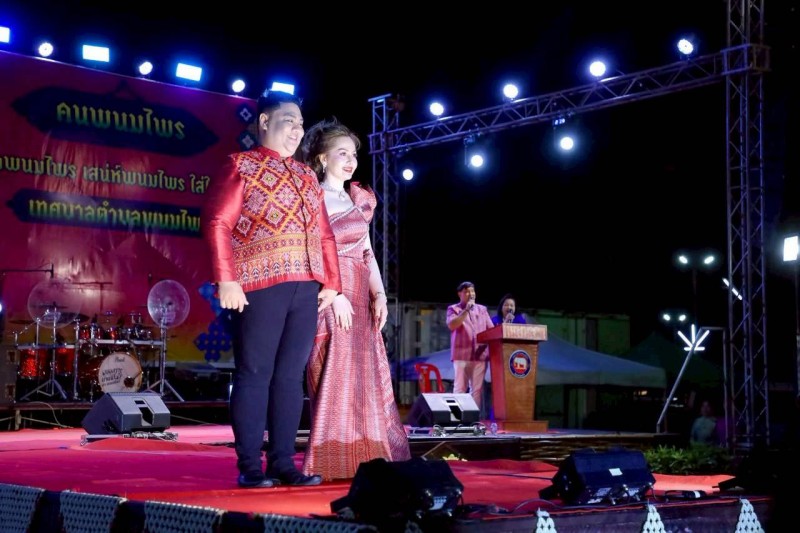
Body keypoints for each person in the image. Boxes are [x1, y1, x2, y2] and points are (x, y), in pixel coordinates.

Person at [201, 90, 341, 489]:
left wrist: (332, 282)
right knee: (255, 372)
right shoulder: (240, 165)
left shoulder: (306, 176)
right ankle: (250, 466)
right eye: (288, 121)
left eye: (300, 123)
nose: (297, 130)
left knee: (290, 377)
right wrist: (227, 279)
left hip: (306, 286)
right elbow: (217, 222)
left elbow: (324, 234)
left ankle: (283, 462)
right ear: (264, 122)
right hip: (259, 284)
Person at [295, 117, 411, 481]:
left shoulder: (358, 199)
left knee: (365, 376)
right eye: (342, 153)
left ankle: (367, 457)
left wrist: (380, 294)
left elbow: (366, 251)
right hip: (328, 295)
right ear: (322, 158)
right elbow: (309, 252)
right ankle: (331, 459)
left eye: (354, 154)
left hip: (360, 296)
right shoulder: (311, 196)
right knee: (333, 373)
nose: (351, 161)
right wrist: (335, 294)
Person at [447, 281, 494, 409]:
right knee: (460, 388)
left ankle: (473, 418)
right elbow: (452, 325)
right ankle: (457, 418)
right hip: (461, 355)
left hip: (480, 355)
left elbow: (491, 330)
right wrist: (466, 310)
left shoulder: (482, 310)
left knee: (476, 390)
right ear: (459, 294)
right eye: (466, 291)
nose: (470, 294)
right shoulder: (453, 309)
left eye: (472, 291)